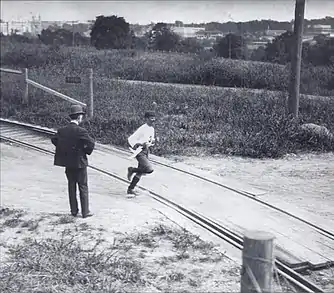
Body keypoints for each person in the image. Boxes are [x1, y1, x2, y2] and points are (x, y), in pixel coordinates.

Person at [51, 104, 95, 218]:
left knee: (71, 186)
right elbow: (91, 143)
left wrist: (65, 150)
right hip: (80, 163)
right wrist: (84, 150)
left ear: (70, 117)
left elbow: (54, 140)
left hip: (68, 163)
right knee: (83, 187)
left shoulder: (62, 131)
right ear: (80, 117)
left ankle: (74, 211)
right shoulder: (81, 131)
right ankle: (85, 212)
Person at [127, 111, 156, 196]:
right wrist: (138, 144)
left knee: (140, 172)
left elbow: (150, 139)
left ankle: (130, 189)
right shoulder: (142, 128)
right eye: (151, 118)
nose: (153, 120)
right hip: (140, 151)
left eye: (154, 118)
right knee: (149, 169)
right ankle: (132, 169)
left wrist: (152, 142)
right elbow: (131, 139)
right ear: (146, 119)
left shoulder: (152, 129)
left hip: (146, 151)